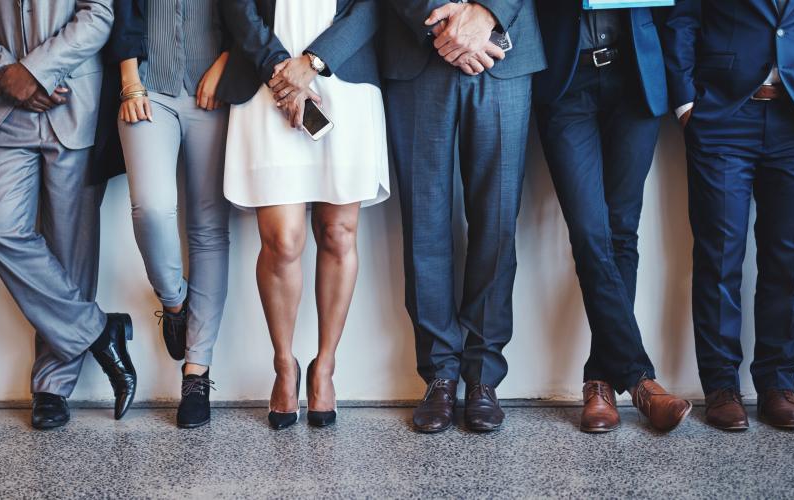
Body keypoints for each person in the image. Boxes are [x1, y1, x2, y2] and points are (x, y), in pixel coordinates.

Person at [0, 0, 137, 430]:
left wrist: (36, 71)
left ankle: (53, 385)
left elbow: (100, 13)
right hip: (1, 109)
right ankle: (97, 330)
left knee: (72, 251)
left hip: (73, 100)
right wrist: (3, 72)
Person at [663, 0, 794, 431]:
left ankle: (778, 383)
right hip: (724, 116)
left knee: (789, 257)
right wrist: (686, 103)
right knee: (718, 255)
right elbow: (683, 19)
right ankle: (721, 386)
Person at [220, 0, 390, 430]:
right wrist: (281, 69)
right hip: (268, 82)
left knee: (338, 232)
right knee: (283, 241)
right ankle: (284, 365)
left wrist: (314, 62)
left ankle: (325, 368)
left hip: (344, 72)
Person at [381, 0, 544, 433]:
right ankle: (439, 373)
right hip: (416, 51)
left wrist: (487, 13)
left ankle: (483, 377)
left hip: (504, 52)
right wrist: (442, 19)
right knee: (424, 224)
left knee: (498, 222)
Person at [533, 1, 692, 433]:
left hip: (636, 73)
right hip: (565, 77)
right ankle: (641, 381)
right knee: (589, 233)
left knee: (622, 233)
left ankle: (599, 383)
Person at [93, 0, 232, 428]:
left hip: (216, 86)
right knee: (151, 207)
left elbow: (253, 11)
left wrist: (227, 63)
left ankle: (196, 373)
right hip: (148, 88)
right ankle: (175, 305)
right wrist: (129, 79)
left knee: (208, 227)